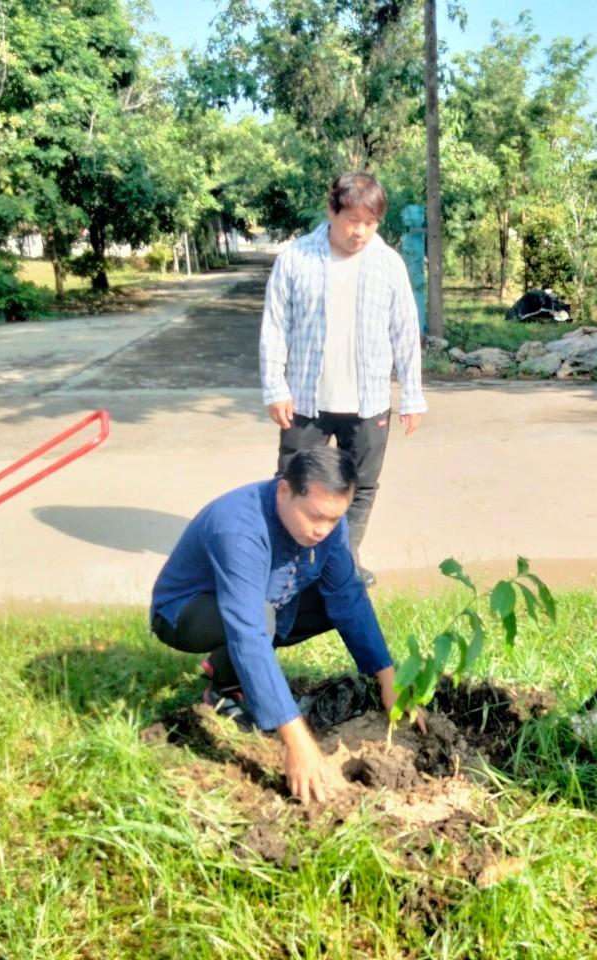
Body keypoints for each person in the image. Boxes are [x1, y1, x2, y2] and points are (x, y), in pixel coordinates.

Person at [150, 447, 419, 805]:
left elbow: (347, 597)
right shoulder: (238, 528)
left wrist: (388, 678)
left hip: (263, 602)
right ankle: (224, 687)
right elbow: (248, 629)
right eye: (314, 516)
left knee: (339, 598)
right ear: (284, 491)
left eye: (334, 519)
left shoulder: (327, 527)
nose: (323, 529)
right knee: (259, 621)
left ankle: (223, 662)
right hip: (185, 614)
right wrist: (296, 738)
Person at [259, 171, 427, 587]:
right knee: (293, 482)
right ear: (331, 210)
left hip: (369, 402)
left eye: (371, 223)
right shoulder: (297, 258)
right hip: (306, 401)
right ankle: (288, 565)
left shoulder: (387, 264)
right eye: (354, 220)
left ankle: (343, 561)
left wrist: (413, 395)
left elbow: (405, 330)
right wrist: (275, 386)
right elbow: (275, 326)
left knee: (362, 485)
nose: (361, 232)